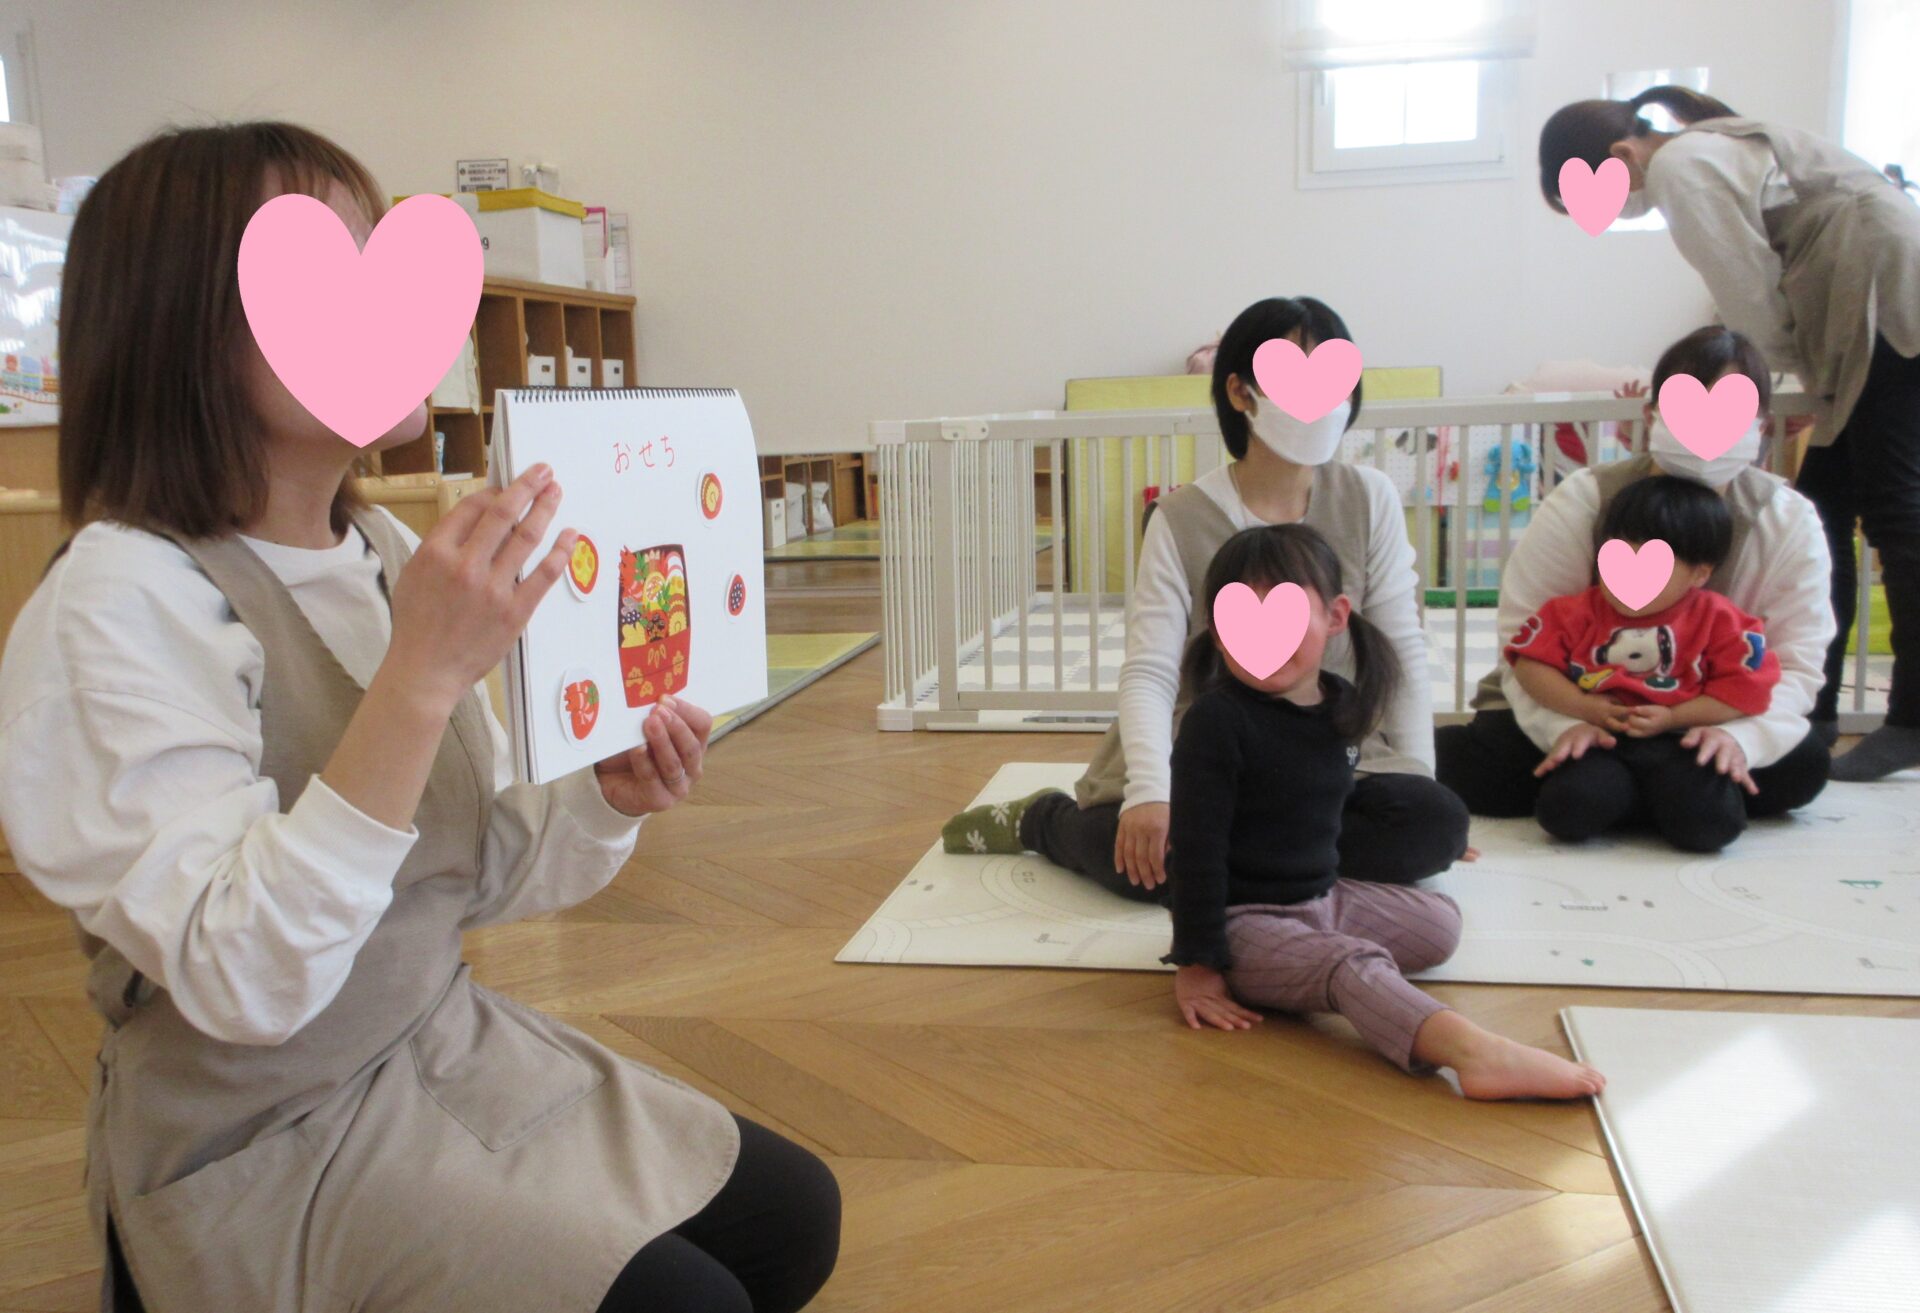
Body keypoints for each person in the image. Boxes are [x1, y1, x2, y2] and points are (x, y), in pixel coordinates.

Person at [0, 123, 838, 1313]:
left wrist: (601, 796)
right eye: (326, 277)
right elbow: (245, 980)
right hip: (258, 1136)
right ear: (183, 327)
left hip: (434, 1042)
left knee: (794, 1217)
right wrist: (419, 680)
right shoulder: (117, 602)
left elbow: (466, 872)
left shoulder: (385, 549)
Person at [941, 296, 1471, 889]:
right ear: (1241, 392)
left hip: (1331, 751)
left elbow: (1401, 645)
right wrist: (1148, 793)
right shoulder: (1180, 517)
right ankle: (1046, 821)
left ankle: (1248, 859)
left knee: (1434, 826)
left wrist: (1418, 778)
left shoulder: (1368, 497)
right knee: (1148, 860)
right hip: (1205, 751)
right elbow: (1150, 670)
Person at [1538, 85, 1920, 779]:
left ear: (1622, 153)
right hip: (1853, 300)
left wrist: (1774, 389)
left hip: (1879, 290)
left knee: (1896, 510)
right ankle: (1814, 708)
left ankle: (1912, 718)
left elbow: (1748, 294)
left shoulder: (1682, 166)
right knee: (1828, 511)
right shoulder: (1709, 152)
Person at [1160, 524, 1604, 1101]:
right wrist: (1197, 966)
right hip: (1242, 925)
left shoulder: (1340, 702)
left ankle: (1317, 965)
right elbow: (1194, 850)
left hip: (1323, 899)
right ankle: (1475, 1054)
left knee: (1439, 924)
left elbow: (1323, 805)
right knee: (1354, 964)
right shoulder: (1215, 722)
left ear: (1335, 616)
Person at [1436, 327, 1832, 834]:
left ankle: (1631, 788)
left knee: (1803, 764)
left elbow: (1797, 661)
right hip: (1581, 699)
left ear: (1762, 426)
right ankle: (1646, 788)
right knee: (1486, 761)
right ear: (1650, 416)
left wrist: (1741, 741)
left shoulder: (1786, 517)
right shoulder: (1587, 496)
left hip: (1708, 714)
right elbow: (1526, 640)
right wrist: (1570, 724)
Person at [1507, 475, 1781, 851]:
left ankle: (1647, 805)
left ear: (1700, 573)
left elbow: (1742, 693)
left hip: (1682, 744)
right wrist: (1584, 708)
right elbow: (1530, 666)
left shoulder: (1721, 620)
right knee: (1565, 812)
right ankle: (1638, 804)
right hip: (1601, 741)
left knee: (1711, 826)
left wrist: (1674, 717)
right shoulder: (1572, 612)